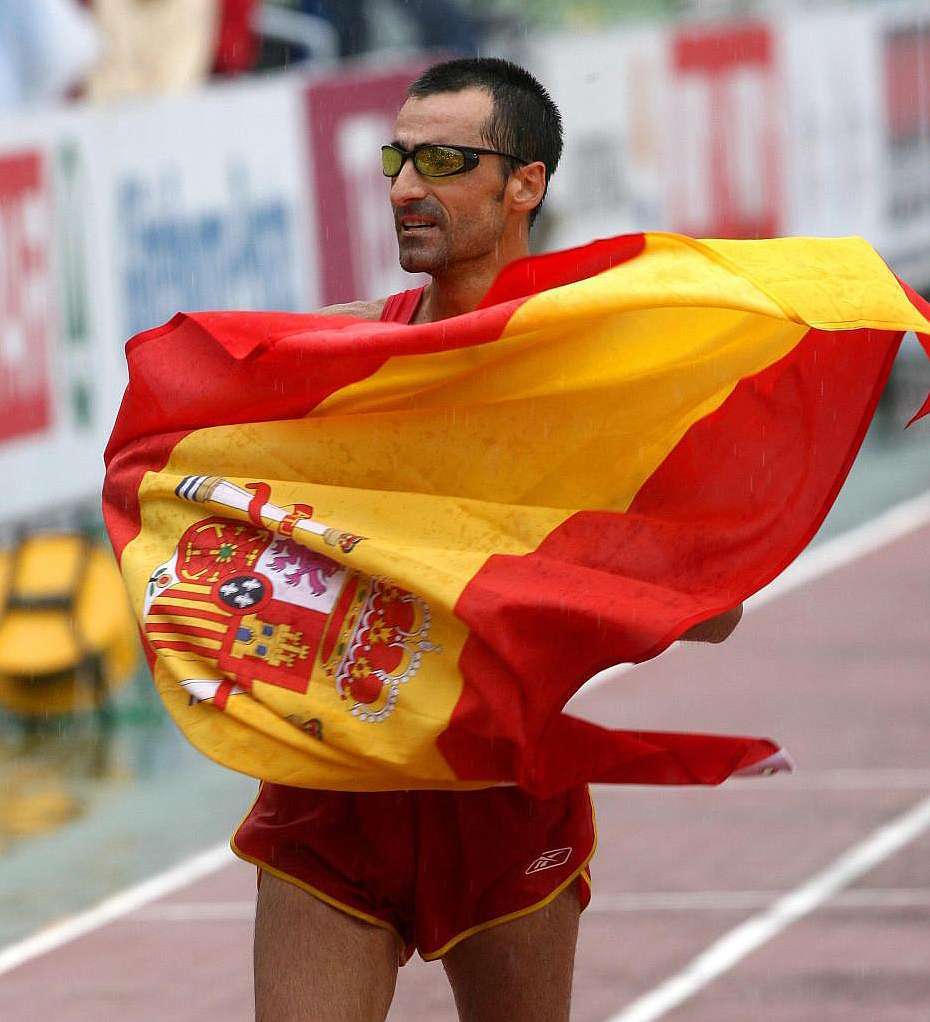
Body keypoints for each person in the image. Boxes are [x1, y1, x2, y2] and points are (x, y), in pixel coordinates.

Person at [231, 57, 743, 1022]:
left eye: (441, 160)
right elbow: (191, 487)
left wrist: (544, 553)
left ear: (526, 184)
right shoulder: (334, 361)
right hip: (337, 794)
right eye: (397, 158)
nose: (404, 187)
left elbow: (718, 610)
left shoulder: (593, 387)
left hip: (506, 798)